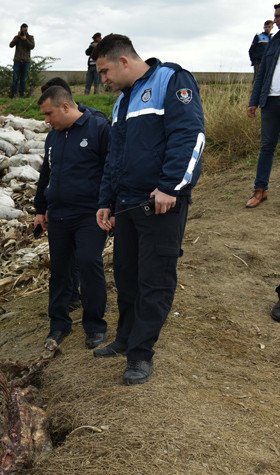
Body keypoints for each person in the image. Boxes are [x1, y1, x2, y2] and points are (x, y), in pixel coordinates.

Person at [93, 34, 205, 385]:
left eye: (105, 71)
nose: (103, 80)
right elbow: (114, 158)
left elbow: (190, 136)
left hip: (161, 205)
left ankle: (141, 354)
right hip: (127, 205)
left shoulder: (171, 80)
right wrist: (106, 202)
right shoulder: (121, 103)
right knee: (126, 275)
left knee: (154, 281)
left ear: (123, 61)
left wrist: (171, 186)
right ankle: (125, 338)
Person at [34, 86, 110, 349]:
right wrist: (39, 210)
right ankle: (58, 325)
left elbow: (112, 170)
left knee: (89, 263)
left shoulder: (99, 129)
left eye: (49, 113)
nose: (46, 120)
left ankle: (95, 325)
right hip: (58, 215)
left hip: (90, 213)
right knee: (60, 271)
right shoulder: (53, 137)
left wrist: (109, 205)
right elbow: (47, 174)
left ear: (65, 107)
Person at [246, 5, 280, 208]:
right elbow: (261, 75)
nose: (275, 20)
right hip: (271, 101)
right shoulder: (273, 41)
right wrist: (253, 101)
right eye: (275, 16)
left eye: (278, 16)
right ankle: (260, 190)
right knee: (267, 146)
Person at [9, 23, 35, 98]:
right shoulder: (17, 37)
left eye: (26, 30)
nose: (25, 32)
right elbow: (11, 45)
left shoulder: (30, 37)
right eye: (23, 30)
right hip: (17, 61)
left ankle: (21, 95)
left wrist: (25, 39)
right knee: (15, 79)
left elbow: (32, 46)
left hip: (26, 61)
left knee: (23, 80)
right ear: (20, 29)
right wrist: (18, 37)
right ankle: (13, 95)